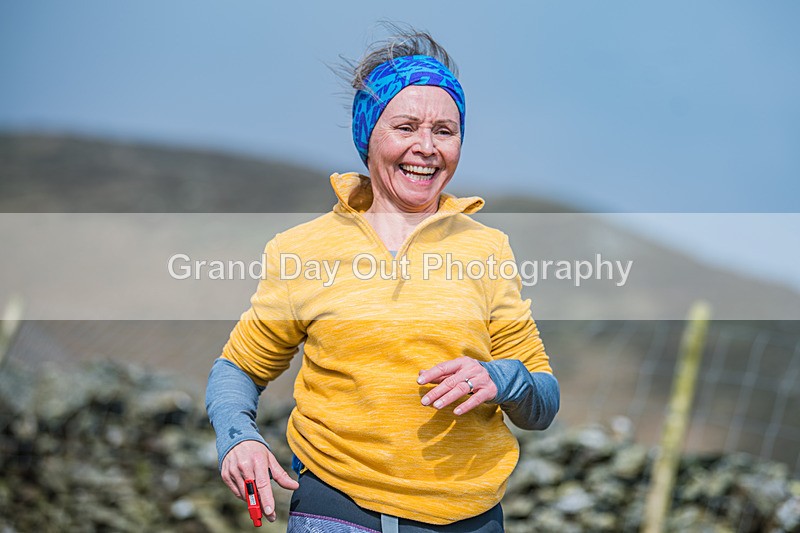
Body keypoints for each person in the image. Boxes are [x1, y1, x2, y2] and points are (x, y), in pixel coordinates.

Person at [205, 27, 560, 533]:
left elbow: (542, 400)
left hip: (472, 520)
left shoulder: (487, 249)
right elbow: (238, 368)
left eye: (445, 130)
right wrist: (238, 438)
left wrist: (502, 379)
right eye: (406, 126)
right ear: (368, 134)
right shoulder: (302, 250)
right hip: (336, 512)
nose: (426, 147)